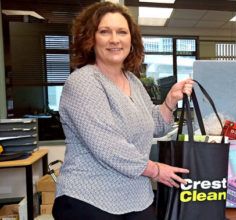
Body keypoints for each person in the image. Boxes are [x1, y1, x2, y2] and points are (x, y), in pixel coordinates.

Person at [52, 2, 195, 219]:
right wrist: (157, 171)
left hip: (136, 197)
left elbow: (155, 125)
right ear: (90, 39)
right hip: (89, 198)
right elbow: (107, 146)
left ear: (132, 39)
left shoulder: (132, 81)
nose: (115, 40)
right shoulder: (82, 82)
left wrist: (170, 101)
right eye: (104, 32)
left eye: (122, 32)